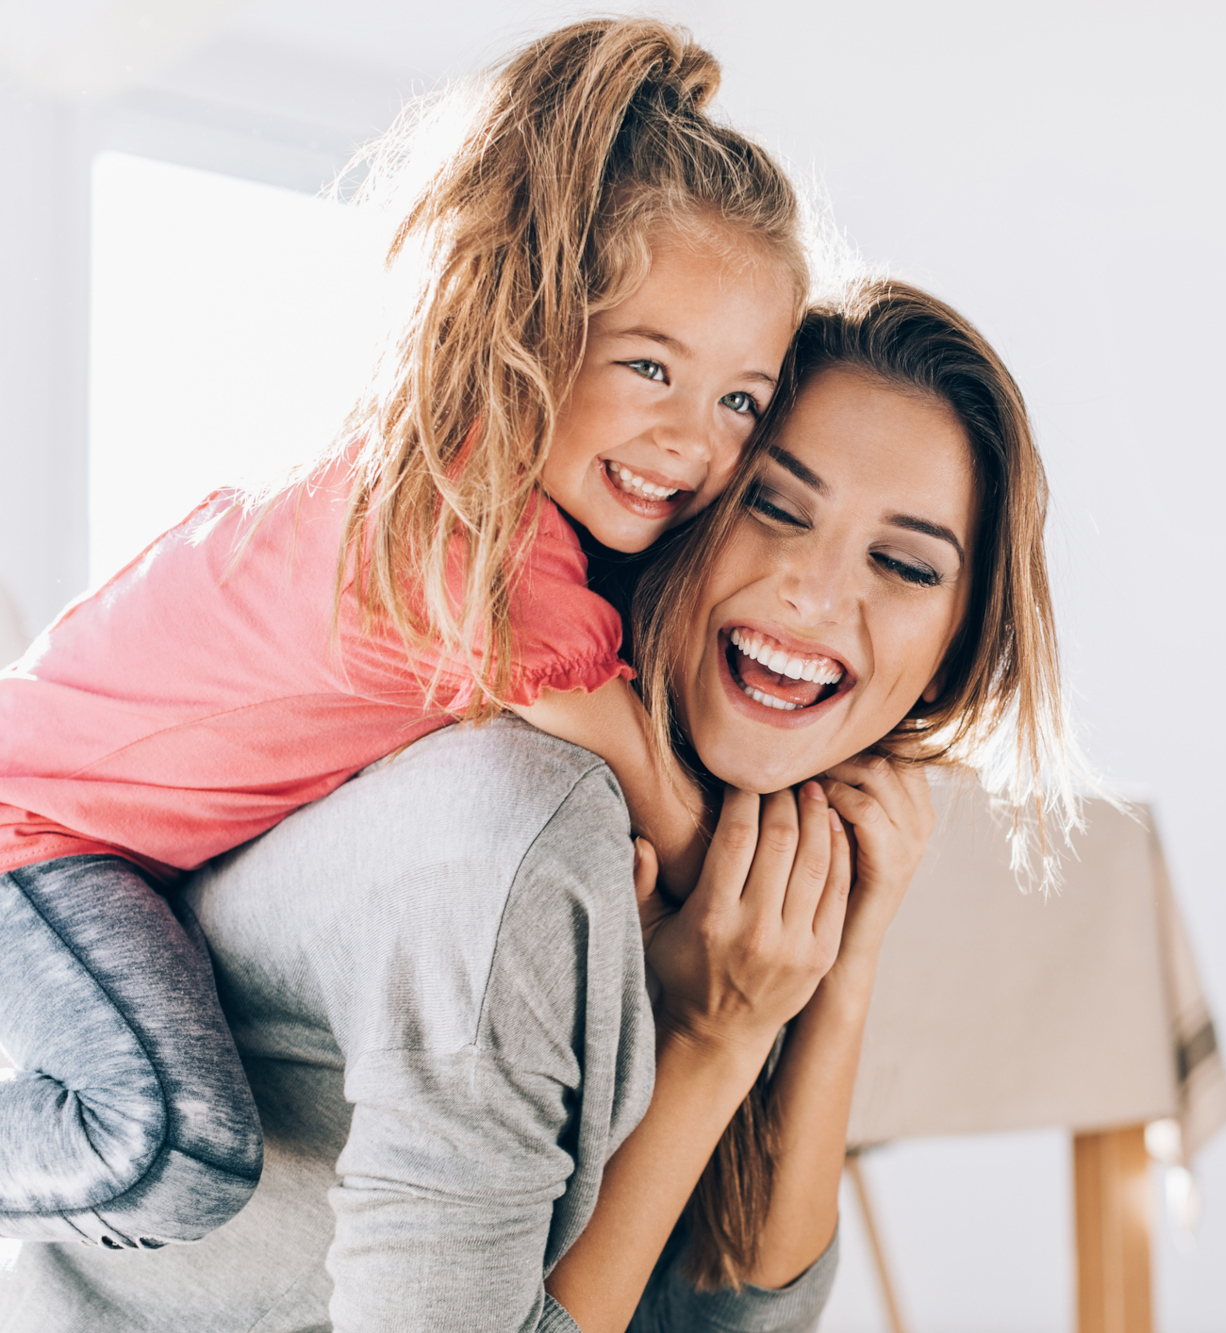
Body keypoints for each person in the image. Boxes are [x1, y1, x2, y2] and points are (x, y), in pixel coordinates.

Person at [0, 279, 1080, 1333]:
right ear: (686, 505)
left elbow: (727, 1312)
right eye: (773, 507)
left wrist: (834, 976)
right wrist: (712, 1039)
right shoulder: (526, 819)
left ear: (950, 655)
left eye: (902, 564)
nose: (816, 591)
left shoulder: (731, 835)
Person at [0, 18, 804, 1249]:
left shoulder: (473, 499)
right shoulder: (465, 533)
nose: (697, 440)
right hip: (31, 833)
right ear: (532, 320)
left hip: (88, 829)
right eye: (651, 368)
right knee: (174, 1144)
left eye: (740, 399)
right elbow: (661, 805)